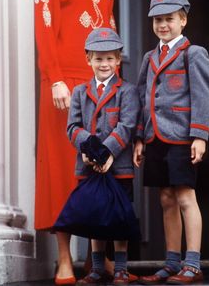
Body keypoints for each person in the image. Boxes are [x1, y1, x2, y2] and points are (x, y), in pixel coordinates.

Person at [33, 0, 116, 284]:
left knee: (100, 168)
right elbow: (44, 26)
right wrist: (54, 78)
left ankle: (97, 260)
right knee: (65, 170)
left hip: (99, 84)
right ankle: (64, 258)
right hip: (64, 82)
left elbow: (110, 33)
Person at [134, 0, 209, 284]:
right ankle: (171, 262)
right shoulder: (148, 57)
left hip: (182, 137)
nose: (162, 25)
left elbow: (204, 96)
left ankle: (192, 263)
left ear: (183, 20)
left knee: (184, 197)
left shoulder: (193, 53)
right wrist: (140, 137)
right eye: (157, 20)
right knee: (166, 198)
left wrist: (200, 135)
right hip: (155, 137)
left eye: (169, 19)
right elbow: (143, 98)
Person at [65, 28, 140, 285]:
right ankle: (97, 268)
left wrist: (106, 152)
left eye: (109, 58)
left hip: (118, 164)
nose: (104, 64)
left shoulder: (127, 91)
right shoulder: (79, 92)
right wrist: (89, 152)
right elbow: (73, 127)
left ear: (118, 59)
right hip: (88, 165)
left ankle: (120, 267)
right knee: (95, 215)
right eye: (98, 58)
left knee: (119, 215)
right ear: (88, 59)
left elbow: (127, 125)